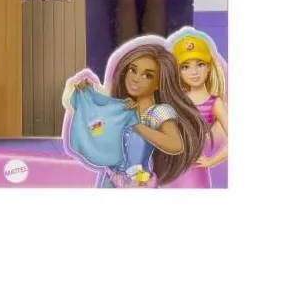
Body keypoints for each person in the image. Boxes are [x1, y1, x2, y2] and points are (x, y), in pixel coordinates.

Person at [65, 42, 207, 187]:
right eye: (133, 70)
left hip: (139, 183)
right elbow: (98, 127)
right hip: (109, 180)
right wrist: (88, 94)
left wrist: (137, 126)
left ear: (159, 83)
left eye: (148, 75)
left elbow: (176, 145)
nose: (136, 78)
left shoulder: (157, 112)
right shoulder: (124, 107)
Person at [170, 32, 228, 176]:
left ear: (209, 67)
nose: (194, 72)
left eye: (200, 64)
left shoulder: (214, 103)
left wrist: (211, 161)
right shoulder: (176, 98)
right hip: (169, 170)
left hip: (195, 171)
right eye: (185, 67)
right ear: (178, 71)